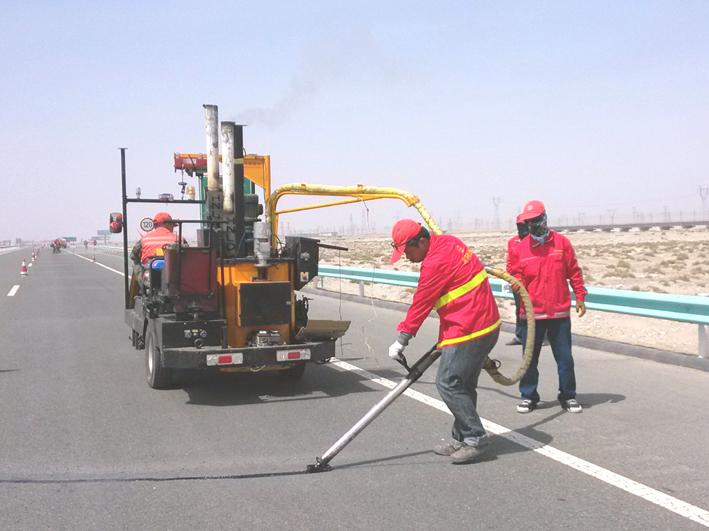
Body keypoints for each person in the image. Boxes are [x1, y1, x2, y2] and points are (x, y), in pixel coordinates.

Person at [388, 219, 501, 464]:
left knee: (448, 382)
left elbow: (422, 302)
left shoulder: (435, 263)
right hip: (482, 323)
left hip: (471, 329)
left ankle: (476, 438)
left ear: (421, 241)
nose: (406, 256)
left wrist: (402, 339)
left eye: (407, 251)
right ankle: (461, 438)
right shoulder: (449, 242)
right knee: (463, 385)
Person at [509, 200, 587, 414]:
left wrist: (580, 296)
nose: (532, 224)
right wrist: (516, 284)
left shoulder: (561, 244)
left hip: (558, 312)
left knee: (564, 359)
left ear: (544, 218)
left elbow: (574, 271)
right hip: (532, 315)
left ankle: (568, 395)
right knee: (529, 359)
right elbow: (515, 273)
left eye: (535, 220)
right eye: (528, 221)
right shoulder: (521, 248)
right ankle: (528, 395)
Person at [505, 214, 529, 345]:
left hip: (532, 281)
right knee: (519, 308)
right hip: (517, 282)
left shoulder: (533, 241)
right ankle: (520, 335)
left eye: (524, 225)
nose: (522, 227)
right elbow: (510, 262)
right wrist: (512, 277)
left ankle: (540, 336)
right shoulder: (513, 242)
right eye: (519, 225)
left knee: (535, 310)